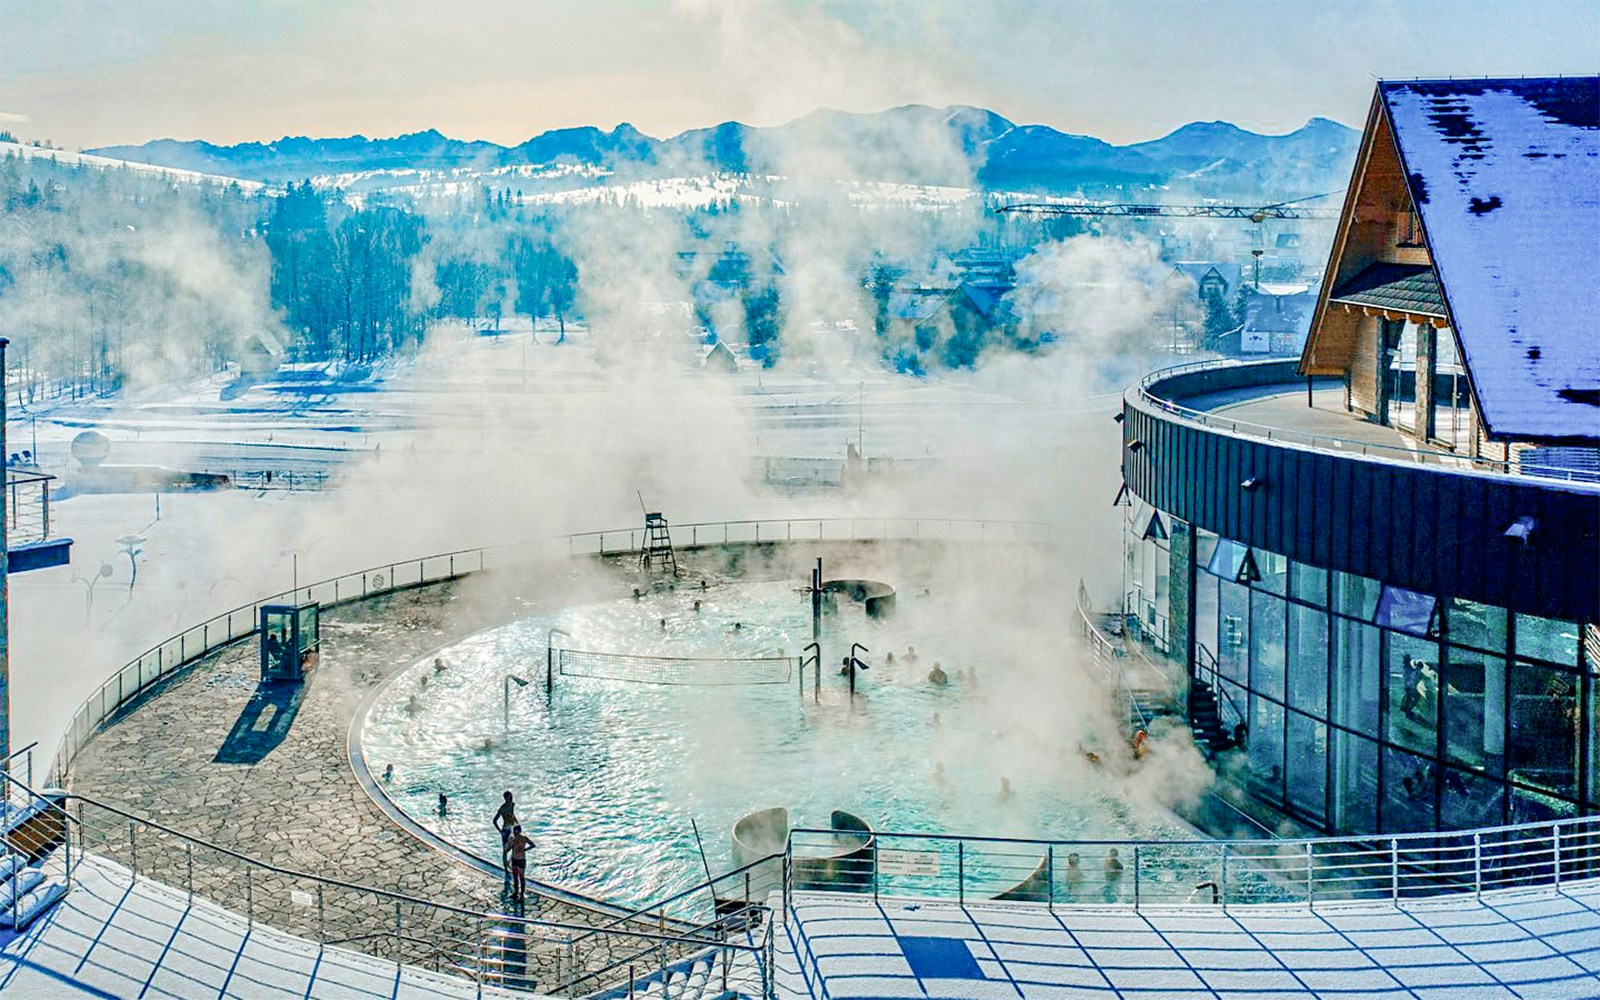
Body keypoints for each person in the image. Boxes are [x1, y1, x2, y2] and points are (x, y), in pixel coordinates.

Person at [507, 824, 535, 905]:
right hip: (514, 859)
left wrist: (524, 850)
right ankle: (516, 892)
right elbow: (509, 849)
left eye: (516, 832)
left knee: (521, 878)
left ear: (519, 831)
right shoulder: (513, 839)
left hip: (521, 860)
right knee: (515, 877)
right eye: (514, 832)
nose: (515, 834)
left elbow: (533, 845)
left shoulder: (524, 839)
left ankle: (521, 895)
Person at [493, 791, 519, 865]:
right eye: (506, 798)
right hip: (505, 830)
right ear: (504, 798)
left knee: (515, 846)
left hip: (512, 829)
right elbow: (494, 821)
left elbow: (512, 815)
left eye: (509, 797)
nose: (508, 799)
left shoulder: (512, 804)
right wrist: (500, 831)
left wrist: (517, 824)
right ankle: (505, 866)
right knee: (505, 850)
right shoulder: (502, 809)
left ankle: (510, 863)